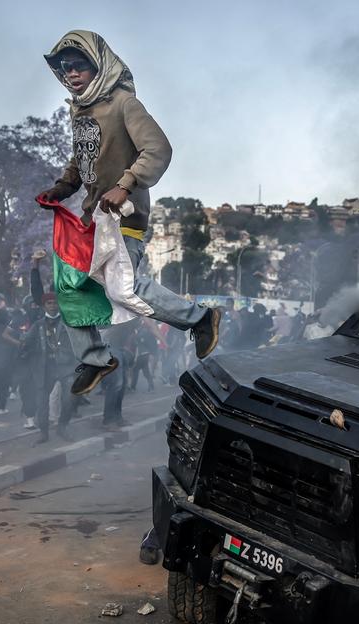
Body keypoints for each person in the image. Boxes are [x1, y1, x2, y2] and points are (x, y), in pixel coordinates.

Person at [37, 30, 221, 397]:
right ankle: (95, 359)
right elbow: (83, 161)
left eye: (79, 66)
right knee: (68, 286)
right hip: (93, 219)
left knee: (122, 287)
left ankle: (201, 319)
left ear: (99, 66)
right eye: (65, 69)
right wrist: (63, 186)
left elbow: (158, 149)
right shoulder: (80, 113)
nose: (71, 74)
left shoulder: (124, 104)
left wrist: (126, 182)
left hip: (125, 216)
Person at [19, 294, 78, 443]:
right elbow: (25, 342)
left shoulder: (68, 322)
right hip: (44, 367)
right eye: (49, 303)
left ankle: (62, 427)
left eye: (54, 303)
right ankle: (43, 434)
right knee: (42, 402)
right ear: (44, 306)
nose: (52, 305)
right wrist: (22, 344)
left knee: (70, 398)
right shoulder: (38, 325)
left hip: (65, 366)